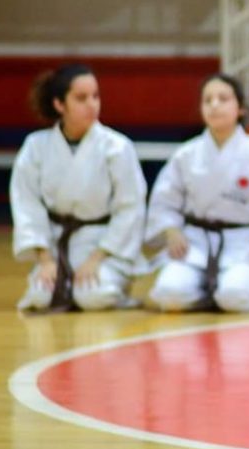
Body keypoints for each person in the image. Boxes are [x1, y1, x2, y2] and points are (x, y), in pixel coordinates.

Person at [146, 73, 249, 313]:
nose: (214, 105)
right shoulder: (187, 154)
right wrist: (171, 231)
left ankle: (221, 291)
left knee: (235, 296)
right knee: (170, 294)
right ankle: (206, 290)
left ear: (240, 108)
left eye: (223, 98)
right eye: (208, 100)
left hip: (243, 245)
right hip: (194, 243)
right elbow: (163, 201)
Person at [10, 64, 147, 312]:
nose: (92, 104)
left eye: (95, 96)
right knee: (41, 299)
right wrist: (46, 260)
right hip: (56, 242)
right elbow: (26, 204)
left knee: (93, 297)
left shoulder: (117, 147)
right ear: (59, 105)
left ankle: (118, 289)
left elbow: (130, 207)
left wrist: (97, 258)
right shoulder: (35, 147)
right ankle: (59, 276)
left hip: (101, 243)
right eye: (81, 98)